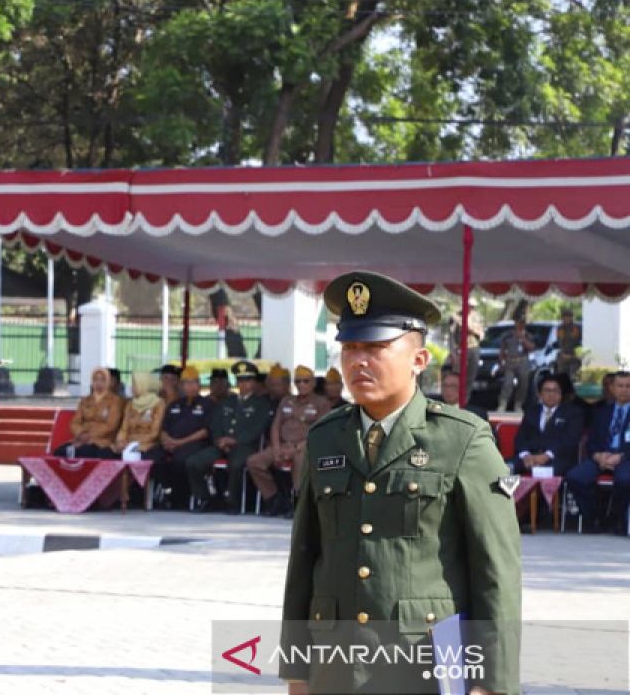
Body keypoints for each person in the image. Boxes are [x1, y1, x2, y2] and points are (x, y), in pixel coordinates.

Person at [281, 270, 521, 695]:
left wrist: (491, 682)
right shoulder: (324, 438)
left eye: (375, 347)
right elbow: (304, 559)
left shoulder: (462, 439)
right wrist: (296, 669)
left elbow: (496, 570)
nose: (358, 361)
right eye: (350, 348)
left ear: (418, 360)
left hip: (428, 658)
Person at [248, 364, 330, 517]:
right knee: (254, 461)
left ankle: (298, 503)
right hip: (284, 445)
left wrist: (298, 446)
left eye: (306, 381)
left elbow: (322, 431)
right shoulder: (287, 400)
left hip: (305, 446)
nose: (301, 385)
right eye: (298, 381)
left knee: (300, 461)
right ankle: (274, 500)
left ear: (312, 383)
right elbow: (276, 426)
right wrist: (277, 447)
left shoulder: (322, 403)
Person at [565, 370, 630, 534]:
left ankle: (617, 519)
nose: (624, 390)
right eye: (620, 386)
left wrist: (621, 456)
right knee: (575, 477)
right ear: (612, 388)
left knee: (624, 480)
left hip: (626, 457)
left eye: (628, 386)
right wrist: (598, 455)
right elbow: (591, 442)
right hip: (602, 456)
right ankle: (595, 516)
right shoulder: (601, 412)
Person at [154, 365, 212, 510]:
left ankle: (180, 496)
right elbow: (163, 428)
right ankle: (164, 491)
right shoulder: (174, 404)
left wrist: (179, 442)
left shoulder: (207, 404)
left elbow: (205, 431)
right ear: (181, 385)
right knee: (155, 457)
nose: (190, 386)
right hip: (171, 444)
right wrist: (165, 440)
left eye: (194, 382)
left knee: (181, 459)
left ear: (199, 385)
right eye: (186, 382)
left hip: (195, 444)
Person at [184, 368, 237, 510]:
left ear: (228, 384)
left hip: (235, 444)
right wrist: (219, 441)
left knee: (236, 464)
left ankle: (231, 501)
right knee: (193, 462)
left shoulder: (235, 401)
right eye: (214, 382)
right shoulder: (205, 401)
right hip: (212, 444)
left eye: (221, 382)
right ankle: (204, 497)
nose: (217, 386)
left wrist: (229, 441)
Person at [513, 373, 582, 477]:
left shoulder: (573, 413)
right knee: (504, 468)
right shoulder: (531, 411)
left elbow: (569, 441)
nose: (551, 394)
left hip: (558, 458)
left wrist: (546, 456)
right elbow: (520, 438)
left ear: (561, 394)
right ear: (540, 394)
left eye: (555, 391)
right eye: (547, 391)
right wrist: (526, 455)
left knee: (541, 473)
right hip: (530, 457)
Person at [54, 366, 125, 459]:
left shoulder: (115, 401)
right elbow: (75, 422)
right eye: (96, 380)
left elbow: (111, 425)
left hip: (102, 441)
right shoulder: (85, 401)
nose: (98, 383)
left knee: (86, 452)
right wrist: (80, 433)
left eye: (102, 380)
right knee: (60, 452)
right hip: (81, 440)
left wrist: (89, 435)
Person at [114, 371, 166, 460]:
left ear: (143, 385)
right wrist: (120, 441)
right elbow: (124, 428)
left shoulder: (158, 404)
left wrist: (134, 442)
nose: (132, 387)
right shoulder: (130, 404)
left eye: (134, 384)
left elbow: (154, 433)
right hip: (128, 444)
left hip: (148, 445)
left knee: (134, 456)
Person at [498, 317, 535, 412]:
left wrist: (522, 339)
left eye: (523, 323)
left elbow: (532, 347)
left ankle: (518, 404)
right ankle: (503, 403)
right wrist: (501, 361)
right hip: (510, 361)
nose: (520, 325)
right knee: (508, 383)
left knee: (523, 383)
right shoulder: (508, 335)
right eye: (519, 322)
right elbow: (502, 349)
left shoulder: (528, 335)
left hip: (522, 361)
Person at [554, 308, 582, 379]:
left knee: (573, 377)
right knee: (562, 377)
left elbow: (577, 342)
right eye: (564, 317)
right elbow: (560, 342)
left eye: (569, 317)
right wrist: (563, 354)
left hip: (574, 356)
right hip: (563, 356)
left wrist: (572, 355)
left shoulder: (577, 328)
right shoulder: (560, 328)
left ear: (572, 318)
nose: (566, 319)